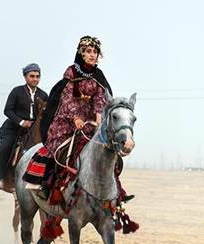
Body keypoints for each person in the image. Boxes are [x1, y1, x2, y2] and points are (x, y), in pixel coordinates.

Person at [22, 36, 134, 203]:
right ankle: (46, 184)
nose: (92, 55)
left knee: (110, 150)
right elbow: (67, 99)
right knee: (58, 149)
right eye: (89, 51)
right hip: (67, 121)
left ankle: (116, 191)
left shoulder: (98, 75)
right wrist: (75, 118)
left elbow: (99, 99)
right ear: (81, 53)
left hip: (90, 121)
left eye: (95, 52)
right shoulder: (71, 72)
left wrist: (98, 117)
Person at [0, 63, 48, 189]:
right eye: (32, 76)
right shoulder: (17, 91)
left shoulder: (44, 95)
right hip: (13, 128)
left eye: (37, 76)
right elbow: (8, 110)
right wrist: (22, 122)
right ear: (25, 77)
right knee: (6, 146)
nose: (35, 79)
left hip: (33, 130)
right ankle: (0, 177)